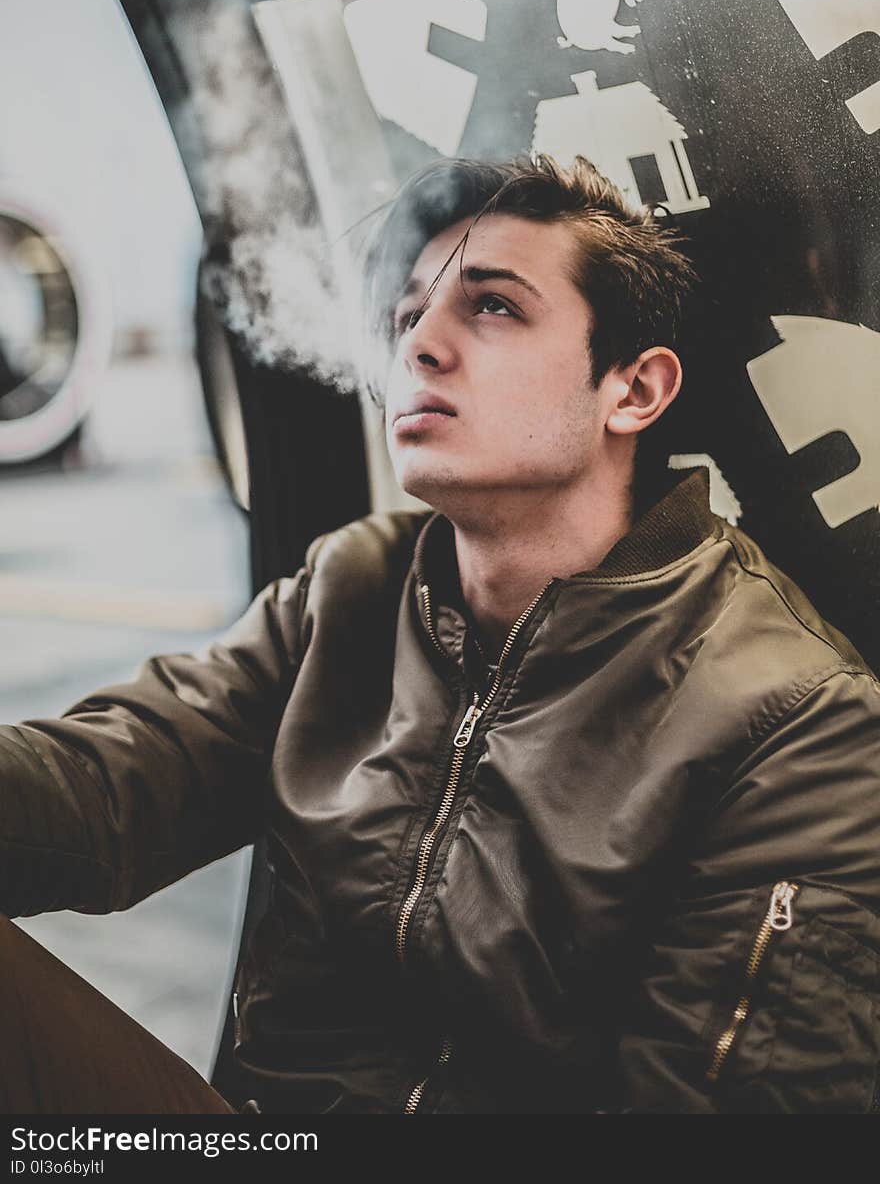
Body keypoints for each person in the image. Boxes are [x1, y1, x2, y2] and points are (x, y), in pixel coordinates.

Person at [1, 154, 879, 1115]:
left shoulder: (793, 721)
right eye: (407, 316)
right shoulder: (356, 589)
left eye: (492, 306)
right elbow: (103, 785)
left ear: (633, 390)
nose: (421, 345)